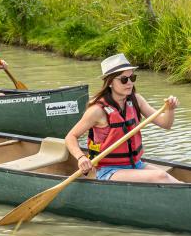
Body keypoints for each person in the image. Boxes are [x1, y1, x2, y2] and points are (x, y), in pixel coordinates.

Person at [65, 53, 181, 183]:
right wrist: (81, 157)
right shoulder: (97, 110)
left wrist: (170, 110)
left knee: (176, 182)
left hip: (136, 165)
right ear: (110, 82)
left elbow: (166, 124)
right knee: (161, 176)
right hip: (109, 170)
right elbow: (71, 137)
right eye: (124, 79)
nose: (130, 83)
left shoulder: (136, 100)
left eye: (132, 77)